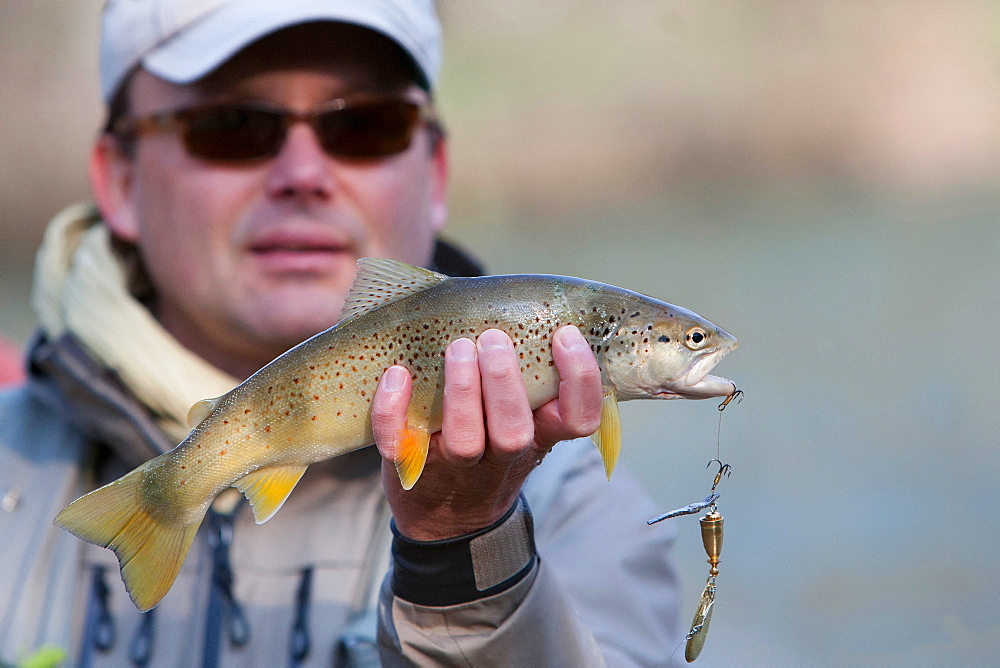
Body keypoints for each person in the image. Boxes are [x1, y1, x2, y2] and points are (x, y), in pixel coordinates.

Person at [0, 1, 680, 665]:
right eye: (232, 126)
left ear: (436, 174)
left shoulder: (571, 503)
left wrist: (468, 560)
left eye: (366, 126)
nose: (303, 176)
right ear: (119, 180)